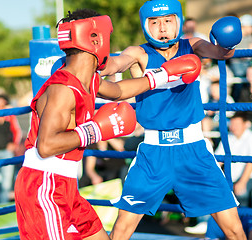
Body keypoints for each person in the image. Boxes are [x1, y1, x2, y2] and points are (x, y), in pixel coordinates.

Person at [14, 8, 201, 240]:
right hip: (44, 188)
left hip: (66, 186)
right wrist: (97, 130)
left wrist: (163, 75)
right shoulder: (63, 89)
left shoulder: (89, 79)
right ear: (95, 38)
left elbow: (120, 90)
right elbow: (46, 145)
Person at [100, 0, 246, 239]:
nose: (162, 28)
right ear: (146, 26)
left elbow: (221, 52)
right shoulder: (139, 53)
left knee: (234, 229)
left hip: (194, 150)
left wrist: (228, 41)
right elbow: (117, 62)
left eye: (168, 21)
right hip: (153, 154)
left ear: (177, 21)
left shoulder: (192, 45)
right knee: (122, 227)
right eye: (155, 22)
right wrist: (99, 63)